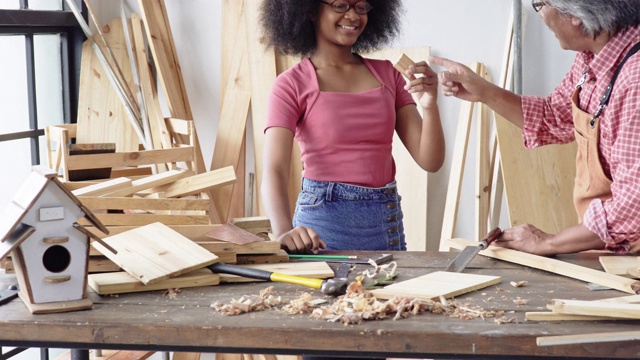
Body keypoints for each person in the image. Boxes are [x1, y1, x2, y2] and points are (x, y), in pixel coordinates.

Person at [431, 0, 640, 256]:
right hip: (616, 248)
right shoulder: (593, 56)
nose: (540, 15)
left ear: (575, 14)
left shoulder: (635, 78)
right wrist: (484, 92)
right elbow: (556, 117)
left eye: (540, 4)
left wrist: (547, 243)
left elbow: (634, 204)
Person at [259, 0, 445, 254]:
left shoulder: (387, 74)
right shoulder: (291, 84)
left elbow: (430, 161)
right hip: (322, 229)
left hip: (385, 223)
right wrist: (283, 232)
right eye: (340, 5)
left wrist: (429, 105)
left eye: (361, 6)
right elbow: (274, 170)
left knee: (391, 294)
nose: (353, 15)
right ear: (310, 10)